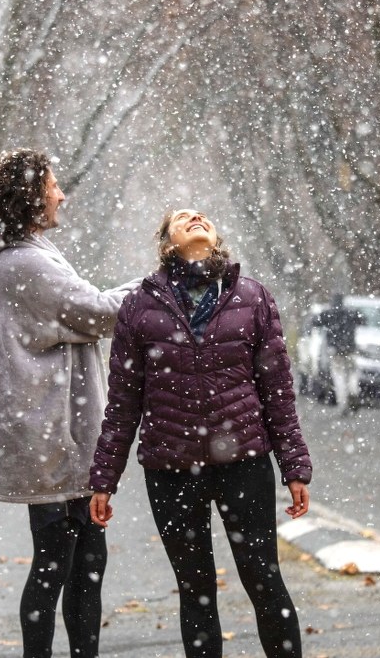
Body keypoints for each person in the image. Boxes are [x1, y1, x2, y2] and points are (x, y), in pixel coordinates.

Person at [88, 209, 313, 658]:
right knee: (195, 591)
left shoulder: (253, 298)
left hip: (245, 464)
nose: (195, 217)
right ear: (167, 241)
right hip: (170, 471)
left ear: (217, 238)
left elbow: (278, 393)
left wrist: (294, 465)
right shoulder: (139, 307)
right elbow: (123, 403)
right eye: (182, 217)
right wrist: (103, 479)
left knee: (264, 579)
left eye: (202, 215)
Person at [0, 148, 137, 658]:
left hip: (52, 432)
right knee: (61, 561)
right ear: (31, 196)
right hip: (50, 435)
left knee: (82, 559)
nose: (61, 194)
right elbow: (101, 311)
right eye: (53, 185)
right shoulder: (23, 262)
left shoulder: (23, 253)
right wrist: (160, 281)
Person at [312, 293, 365, 414]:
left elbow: (315, 322)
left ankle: (343, 403)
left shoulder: (328, 313)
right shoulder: (351, 312)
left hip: (335, 351)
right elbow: (363, 320)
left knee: (339, 377)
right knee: (352, 373)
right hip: (351, 349)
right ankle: (354, 391)